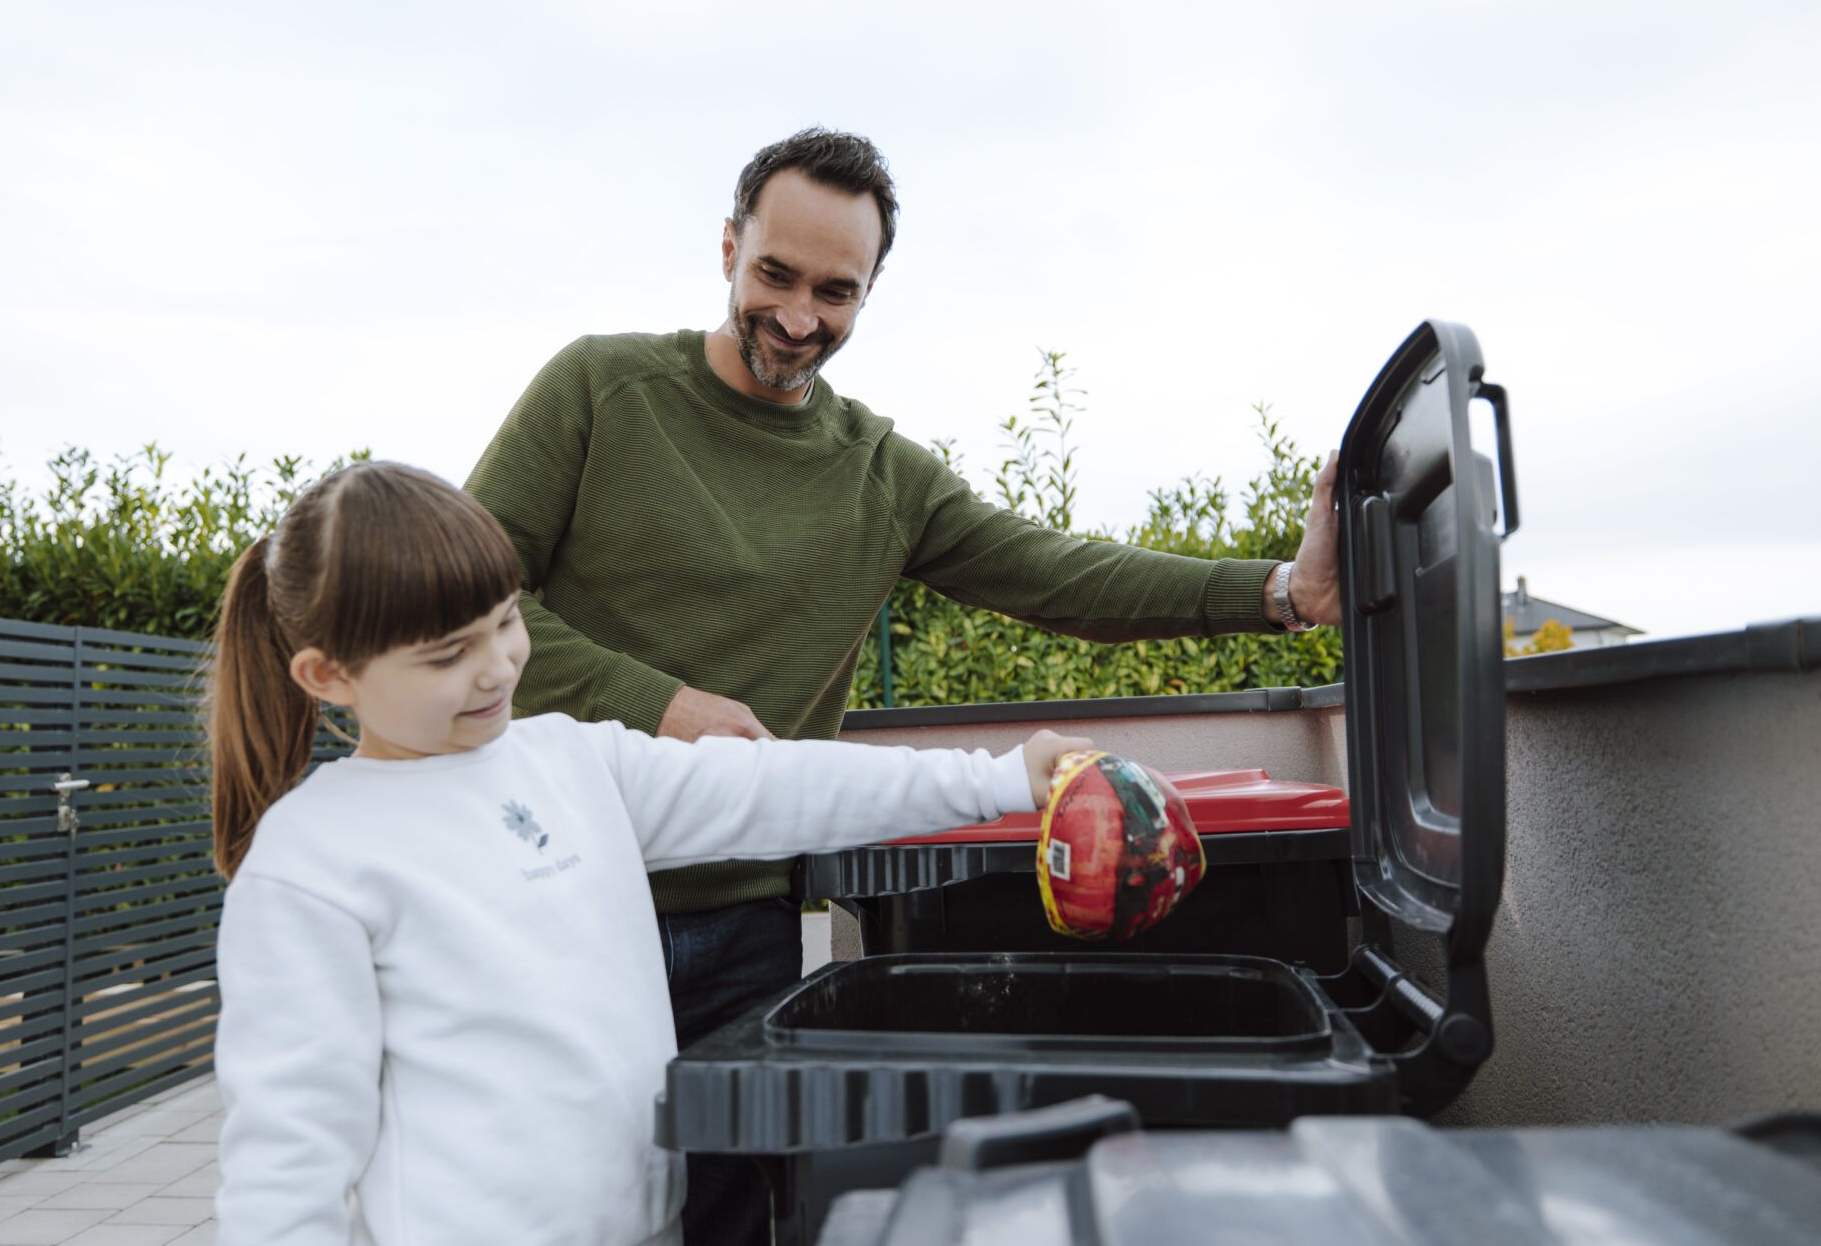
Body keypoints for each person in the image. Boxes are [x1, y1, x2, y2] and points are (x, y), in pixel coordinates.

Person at [463, 127, 1341, 1244]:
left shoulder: (882, 472)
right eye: (773, 275)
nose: (795, 317)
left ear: (870, 291)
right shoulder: (599, 389)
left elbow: (1062, 575)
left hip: (741, 916)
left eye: (835, 291)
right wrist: (658, 704)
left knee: (731, 1209)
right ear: (728, 246)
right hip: (558, 886)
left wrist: (1280, 590)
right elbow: (460, 604)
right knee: (564, 1207)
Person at [205, 461, 1090, 1246]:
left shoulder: (572, 759)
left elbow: (777, 787)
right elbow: (287, 1156)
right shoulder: (310, 861)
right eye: (447, 654)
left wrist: (1004, 777)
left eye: (505, 620)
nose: (496, 667)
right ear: (328, 676)